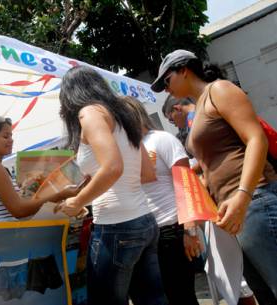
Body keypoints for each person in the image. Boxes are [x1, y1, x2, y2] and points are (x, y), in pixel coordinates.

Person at [151, 49, 277, 301]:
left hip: (254, 199)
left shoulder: (219, 90)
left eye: (167, 81)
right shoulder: (199, 109)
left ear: (184, 70)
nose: (166, 90)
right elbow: (209, 166)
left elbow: (256, 139)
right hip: (233, 210)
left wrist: (243, 195)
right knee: (263, 292)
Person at [56, 65, 167, 305]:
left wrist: (77, 202)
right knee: (152, 299)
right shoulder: (123, 114)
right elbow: (146, 173)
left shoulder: (90, 113)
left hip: (116, 226)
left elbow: (113, 167)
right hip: (144, 220)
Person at [124, 96, 200, 305]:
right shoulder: (126, 150)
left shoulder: (161, 139)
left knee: (181, 296)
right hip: (144, 235)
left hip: (171, 230)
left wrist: (189, 231)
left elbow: (186, 182)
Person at [0, 116, 79, 222]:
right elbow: (19, 210)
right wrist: (60, 195)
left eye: (11, 136)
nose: (11, 140)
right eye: (6, 136)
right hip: (3, 235)